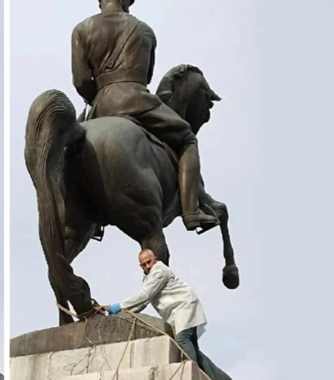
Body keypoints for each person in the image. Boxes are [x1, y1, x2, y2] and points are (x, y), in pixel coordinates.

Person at [70, 0, 218, 232]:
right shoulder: (144, 30)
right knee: (188, 138)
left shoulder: (81, 29)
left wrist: (97, 97)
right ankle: (191, 211)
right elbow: (146, 77)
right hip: (136, 100)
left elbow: (80, 81)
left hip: (100, 107)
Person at [106, 249, 229, 379]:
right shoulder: (149, 278)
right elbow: (143, 302)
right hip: (180, 310)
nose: (148, 266)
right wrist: (125, 312)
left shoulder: (159, 270)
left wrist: (120, 306)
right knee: (194, 350)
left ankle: (192, 373)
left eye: (149, 262)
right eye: (144, 264)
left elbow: (145, 294)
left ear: (155, 259)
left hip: (184, 306)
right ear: (140, 266)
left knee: (182, 340)